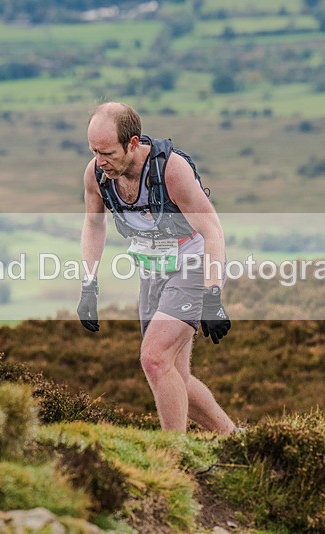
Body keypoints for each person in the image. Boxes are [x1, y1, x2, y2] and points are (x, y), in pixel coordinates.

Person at [78, 102, 236, 434]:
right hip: (152, 270)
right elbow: (93, 225)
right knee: (174, 374)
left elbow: (212, 231)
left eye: (107, 152)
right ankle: (233, 438)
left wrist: (212, 296)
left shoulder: (171, 171)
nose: (100, 161)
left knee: (154, 357)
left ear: (132, 143)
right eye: (94, 151)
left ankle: (172, 452)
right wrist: (88, 287)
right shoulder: (97, 175)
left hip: (193, 262)